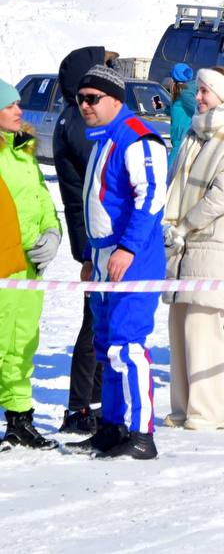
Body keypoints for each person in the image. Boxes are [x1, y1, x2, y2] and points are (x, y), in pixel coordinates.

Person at [68, 65, 167, 460]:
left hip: (135, 258)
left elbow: (152, 197)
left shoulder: (138, 137)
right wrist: (93, 256)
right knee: (106, 344)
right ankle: (112, 425)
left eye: (93, 98)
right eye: (80, 99)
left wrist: (126, 248)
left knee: (128, 347)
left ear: (116, 100)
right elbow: (100, 203)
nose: (85, 106)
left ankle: (142, 433)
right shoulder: (102, 138)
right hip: (105, 256)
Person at [162, 67, 224, 431]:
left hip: (212, 242)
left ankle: (209, 410)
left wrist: (186, 224)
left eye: (204, 91)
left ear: (222, 94)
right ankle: (184, 407)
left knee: (203, 328)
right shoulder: (196, 131)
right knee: (179, 325)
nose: (197, 97)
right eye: (197, 90)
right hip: (183, 244)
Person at [0, 78, 62, 451]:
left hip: (28, 269)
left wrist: (52, 233)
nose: (19, 111)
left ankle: (19, 420)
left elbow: (42, 198)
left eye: (19, 104)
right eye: (10, 106)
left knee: (22, 344)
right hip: (2, 267)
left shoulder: (24, 148)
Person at [51, 47, 109, 434]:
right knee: (92, 325)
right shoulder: (77, 123)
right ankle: (78, 408)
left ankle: (96, 401)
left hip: (92, 233)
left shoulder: (76, 119)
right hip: (92, 237)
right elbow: (105, 170)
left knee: (101, 320)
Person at [168, 63, 196, 169]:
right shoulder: (181, 92)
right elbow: (176, 110)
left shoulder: (185, 94)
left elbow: (197, 111)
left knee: (166, 172)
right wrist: (161, 106)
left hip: (181, 138)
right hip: (178, 138)